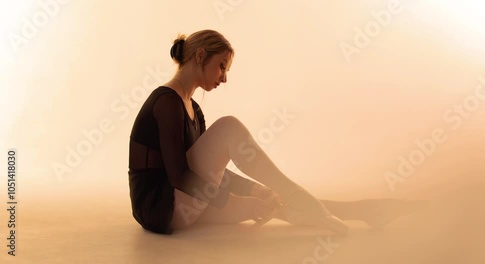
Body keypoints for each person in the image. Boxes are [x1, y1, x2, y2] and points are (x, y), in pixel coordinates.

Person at [128, 29, 426, 235]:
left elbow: (210, 175)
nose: (225, 78)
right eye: (221, 66)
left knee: (269, 203)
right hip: (159, 209)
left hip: (180, 211)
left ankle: (361, 211)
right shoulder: (166, 102)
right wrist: (231, 200)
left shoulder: (194, 108)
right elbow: (180, 176)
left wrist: (251, 192)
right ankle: (293, 191)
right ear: (200, 55)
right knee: (230, 126)